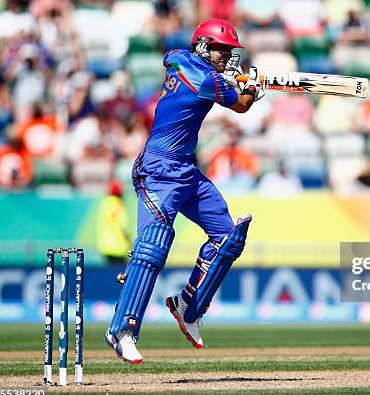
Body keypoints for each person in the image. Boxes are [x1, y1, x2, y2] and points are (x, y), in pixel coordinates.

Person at [104, 19, 264, 364]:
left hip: (187, 169)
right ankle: (121, 331)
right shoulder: (205, 79)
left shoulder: (180, 58)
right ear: (204, 46)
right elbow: (242, 105)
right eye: (222, 49)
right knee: (152, 248)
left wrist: (237, 80)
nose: (227, 56)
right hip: (158, 170)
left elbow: (173, 56)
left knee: (228, 237)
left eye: (230, 51)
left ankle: (188, 305)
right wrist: (253, 86)